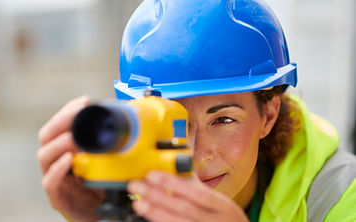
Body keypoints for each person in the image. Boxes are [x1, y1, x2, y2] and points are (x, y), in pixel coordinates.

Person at [37, 0, 356, 221]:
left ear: (268, 115)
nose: (195, 153)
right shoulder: (135, 199)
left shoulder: (341, 198)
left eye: (224, 119)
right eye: (173, 122)